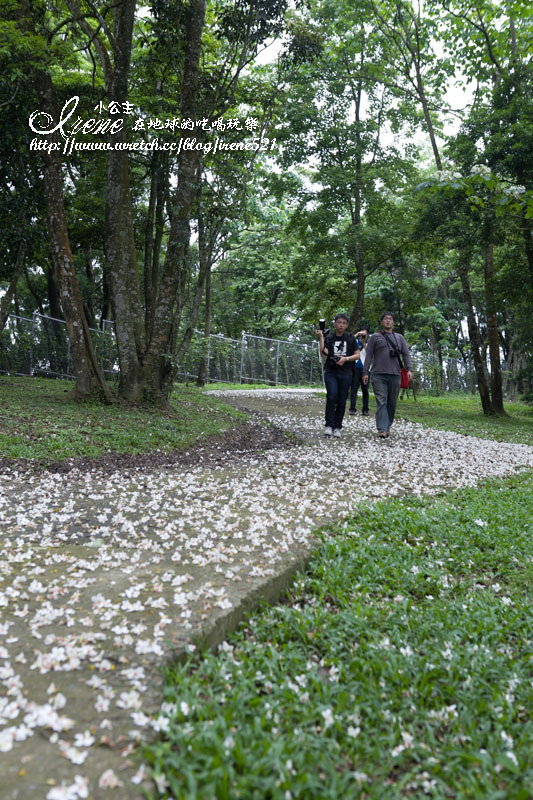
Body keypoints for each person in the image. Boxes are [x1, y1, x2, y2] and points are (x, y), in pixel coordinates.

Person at [362, 312, 413, 439]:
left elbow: (406, 354)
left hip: (395, 374)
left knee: (392, 402)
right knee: (381, 401)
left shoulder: (400, 338)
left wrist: (409, 369)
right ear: (381, 322)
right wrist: (365, 371)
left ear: (393, 322)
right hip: (378, 374)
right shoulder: (375, 337)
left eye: (390, 319)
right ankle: (382, 428)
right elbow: (368, 356)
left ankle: (387, 425)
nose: (388, 321)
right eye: (385, 319)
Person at [317, 314, 360, 438]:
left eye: (344, 323)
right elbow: (324, 353)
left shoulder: (351, 338)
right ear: (334, 324)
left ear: (346, 325)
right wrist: (321, 338)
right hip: (331, 371)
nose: (341, 325)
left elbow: (357, 355)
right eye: (339, 322)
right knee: (332, 396)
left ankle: (337, 426)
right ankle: (328, 425)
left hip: (346, 373)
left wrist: (346, 359)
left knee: (342, 400)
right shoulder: (330, 338)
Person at [349, 327, 369, 416]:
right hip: (355, 367)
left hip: (365, 368)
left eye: (365, 334)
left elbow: (369, 354)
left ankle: (365, 409)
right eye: (362, 333)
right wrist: (357, 334)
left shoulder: (369, 343)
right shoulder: (355, 342)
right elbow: (349, 341)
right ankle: (352, 409)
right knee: (354, 389)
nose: (363, 335)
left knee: (365, 390)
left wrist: (364, 343)